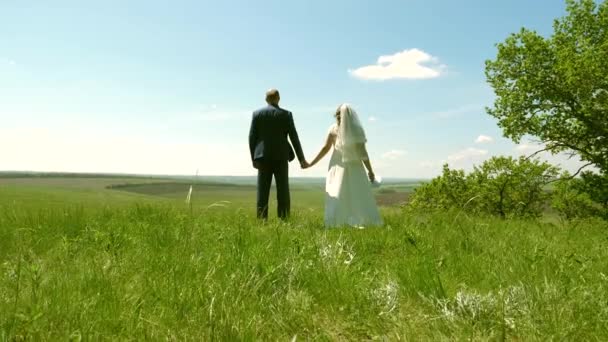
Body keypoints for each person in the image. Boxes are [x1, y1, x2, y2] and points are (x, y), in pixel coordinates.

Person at [308, 103, 383, 227]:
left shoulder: (357, 130)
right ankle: (336, 222)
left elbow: (363, 153)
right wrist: (311, 163)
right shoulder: (333, 129)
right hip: (337, 167)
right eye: (337, 115)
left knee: (356, 194)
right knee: (337, 193)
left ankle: (359, 221)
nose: (338, 118)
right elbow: (325, 148)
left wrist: (370, 171)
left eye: (340, 115)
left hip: (355, 168)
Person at [248, 89, 308, 219]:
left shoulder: (257, 114)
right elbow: (294, 137)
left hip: (262, 157)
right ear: (278, 98)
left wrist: (253, 158)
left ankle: (262, 222)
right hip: (281, 157)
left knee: (262, 192)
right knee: (283, 191)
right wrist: (301, 159)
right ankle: (284, 220)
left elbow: (252, 137)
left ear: (266, 99)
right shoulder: (286, 115)